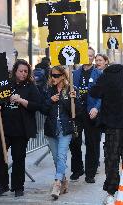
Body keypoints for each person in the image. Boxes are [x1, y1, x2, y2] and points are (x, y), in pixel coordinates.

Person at [89, 64, 123, 205]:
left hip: (113, 126)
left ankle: (111, 192)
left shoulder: (105, 77)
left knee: (112, 159)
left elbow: (94, 93)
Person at [0, 59, 41, 197]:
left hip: (21, 129)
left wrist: (21, 100)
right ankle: (2, 184)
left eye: (26, 71)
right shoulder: (5, 85)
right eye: (21, 71)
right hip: (3, 127)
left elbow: (37, 105)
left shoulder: (31, 86)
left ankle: (18, 186)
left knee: (19, 157)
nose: (23, 74)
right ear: (15, 71)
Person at [41, 66, 80, 199]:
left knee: (61, 155)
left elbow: (76, 112)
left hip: (65, 127)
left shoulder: (71, 90)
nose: (53, 78)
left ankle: (57, 183)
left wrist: (72, 100)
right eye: (52, 75)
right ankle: (63, 180)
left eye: (56, 75)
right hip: (52, 128)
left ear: (63, 76)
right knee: (56, 157)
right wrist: (50, 101)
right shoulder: (48, 90)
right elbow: (42, 109)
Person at [69, 46, 102, 183]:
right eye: (86, 55)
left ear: (93, 58)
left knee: (92, 143)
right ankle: (77, 169)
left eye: (90, 56)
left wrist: (97, 108)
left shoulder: (99, 74)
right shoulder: (74, 73)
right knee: (74, 142)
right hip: (77, 112)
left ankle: (90, 173)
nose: (88, 58)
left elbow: (103, 94)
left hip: (92, 113)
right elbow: (69, 90)